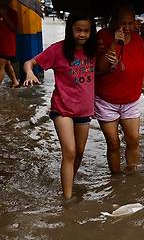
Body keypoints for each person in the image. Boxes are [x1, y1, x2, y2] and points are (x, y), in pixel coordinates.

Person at [23, 14, 97, 199]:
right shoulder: (58, 50)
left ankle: (68, 181)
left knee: (79, 152)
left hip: (84, 110)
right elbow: (29, 62)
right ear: (70, 30)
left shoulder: (94, 51)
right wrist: (30, 73)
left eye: (86, 30)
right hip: (62, 109)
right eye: (78, 30)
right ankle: (67, 199)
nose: (82, 34)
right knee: (70, 151)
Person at [95, 6, 144, 174]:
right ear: (114, 22)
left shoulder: (138, 39)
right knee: (113, 143)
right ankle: (116, 179)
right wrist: (114, 43)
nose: (126, 27)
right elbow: (99, 68)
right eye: (122, 23)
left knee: (133, 140)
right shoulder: (102, 36)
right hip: (106, 100)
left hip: (131, 100)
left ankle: (132, 176)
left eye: (130, 23)